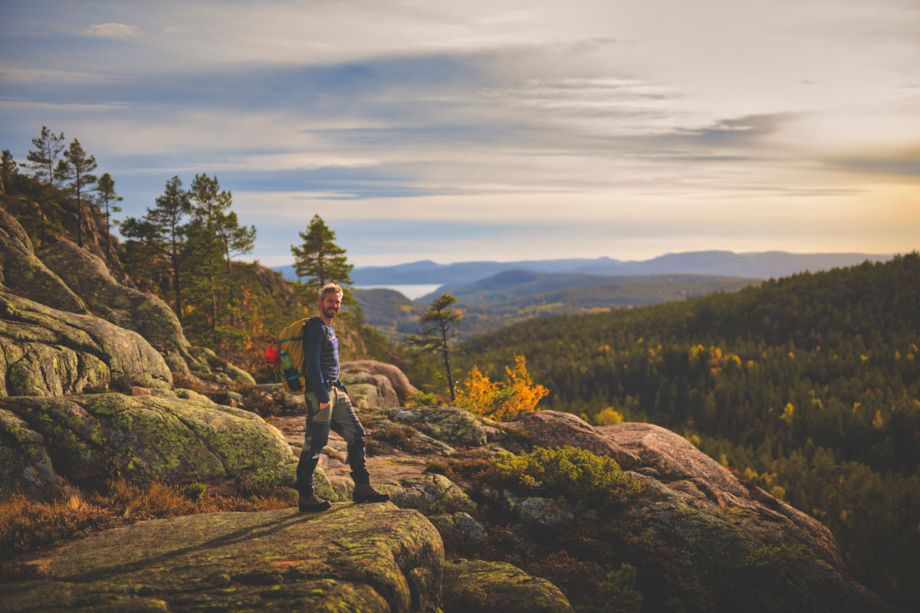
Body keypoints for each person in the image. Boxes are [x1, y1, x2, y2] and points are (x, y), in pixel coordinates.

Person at [295, 283, 390, 512]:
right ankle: (306, 497)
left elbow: (330, 365)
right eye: (330, 301)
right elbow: (313, 366)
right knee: (315, 443)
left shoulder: (330, 328)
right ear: (321, 302)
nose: (334, 306)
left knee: (356, 435)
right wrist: (321, 396)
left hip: (336, 391)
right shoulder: (316, 328)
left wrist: (341, 389)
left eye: (337, 302)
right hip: (321, 394)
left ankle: (362, 488)